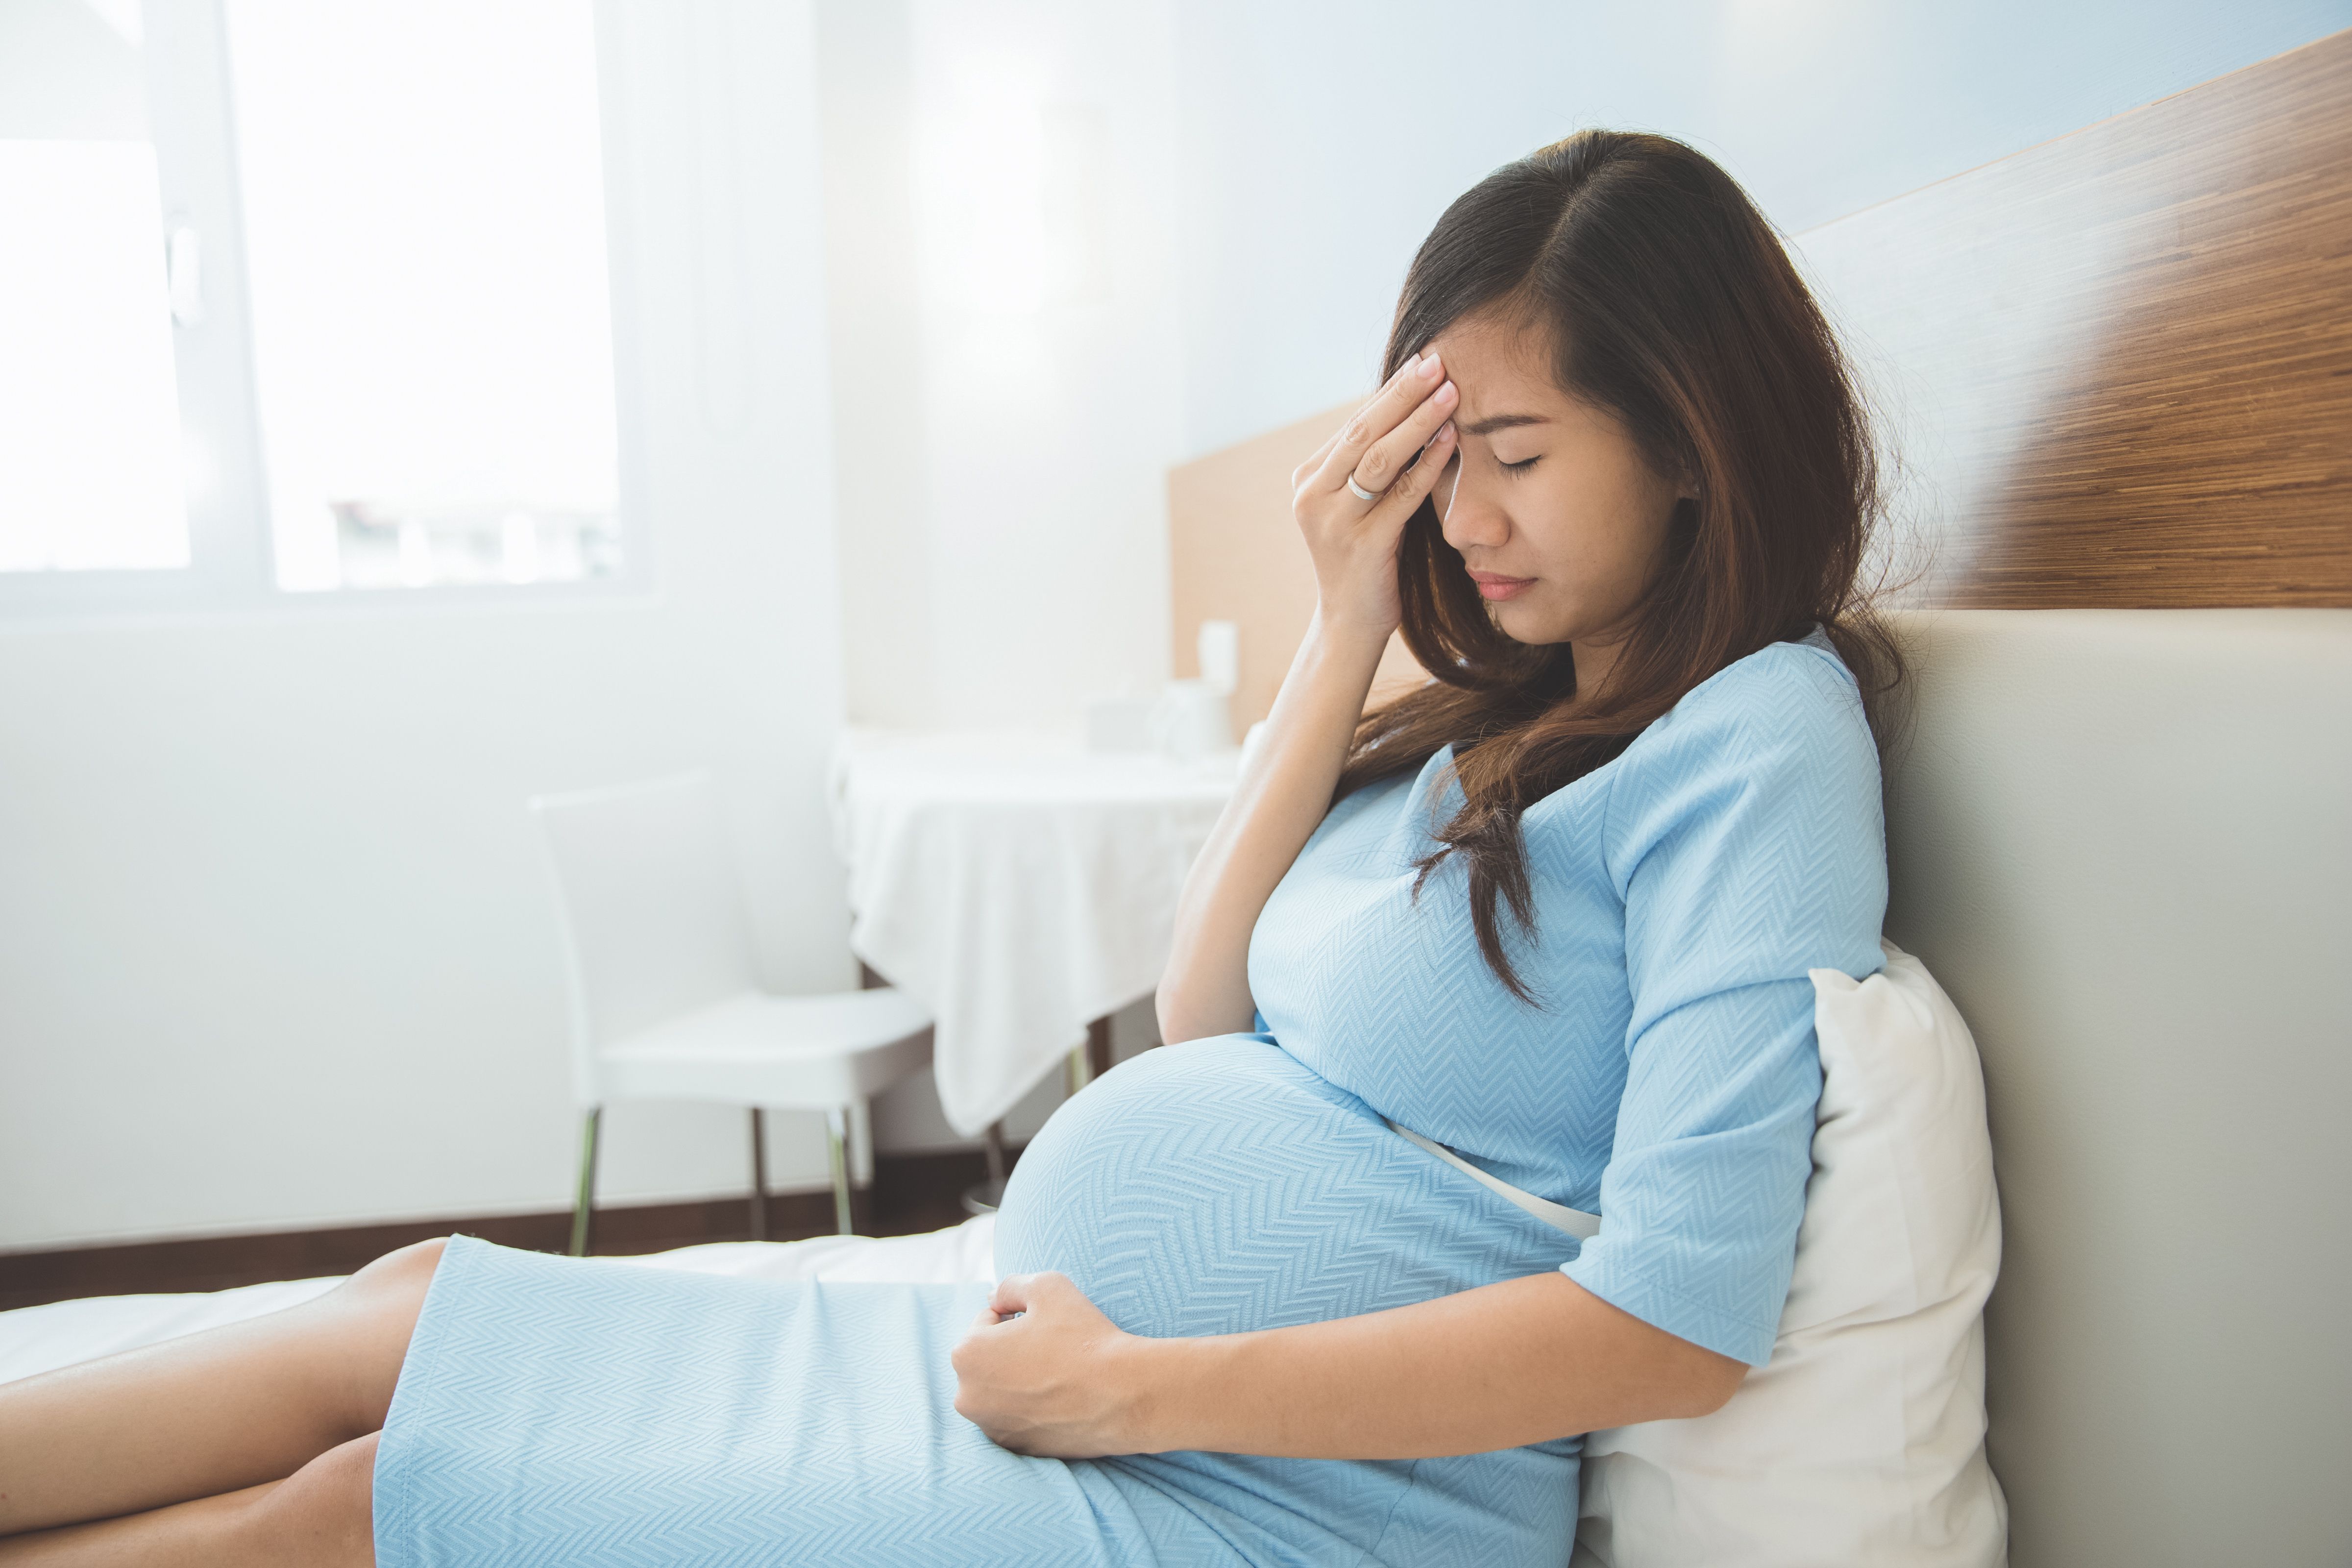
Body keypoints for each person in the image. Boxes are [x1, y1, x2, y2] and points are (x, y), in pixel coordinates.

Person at [0, 128, 1899, 1568]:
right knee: (410, 1303)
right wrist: (1340, 625)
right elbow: (1200, 1004)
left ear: (1691, 440)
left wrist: (1133, 1383)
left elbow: (1677, 1318)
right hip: (1087, 1394)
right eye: (1429, 454)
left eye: (1516, 449)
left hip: (1274, 1500)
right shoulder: (1505, 724)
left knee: (368, 1501)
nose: (1460, 512)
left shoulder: (1757, 737)